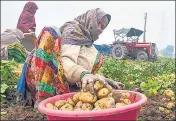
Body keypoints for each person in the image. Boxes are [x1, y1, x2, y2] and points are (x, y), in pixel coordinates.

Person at [16, 8, 124, 109]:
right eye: (98, 24)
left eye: (103, 26)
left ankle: (64, 96)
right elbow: (65, 62)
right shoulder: (73, 31)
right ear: (90, 20)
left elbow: (86, 71)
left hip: (68, 82)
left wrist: (106, 80)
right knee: (49, 33)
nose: (100, 29)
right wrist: (83, 74)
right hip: (49, 76)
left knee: (98, 58)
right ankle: (43, 98)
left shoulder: (89, 44)